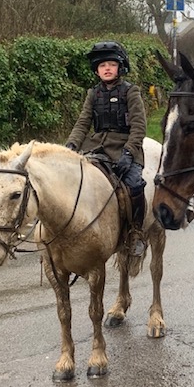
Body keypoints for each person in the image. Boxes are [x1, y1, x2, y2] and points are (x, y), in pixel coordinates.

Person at [66, 41, 148, 256]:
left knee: (135, 184)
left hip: (124, 147)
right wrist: (71, 145)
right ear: (97, 70)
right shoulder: (93, 94)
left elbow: (139, 127)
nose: (107, 69)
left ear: (120, 68)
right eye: (103, 66)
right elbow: (83, 122)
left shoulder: (132, 91)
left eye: (112, 64)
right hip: (97, 146)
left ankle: (136, 232)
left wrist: (129, 153)